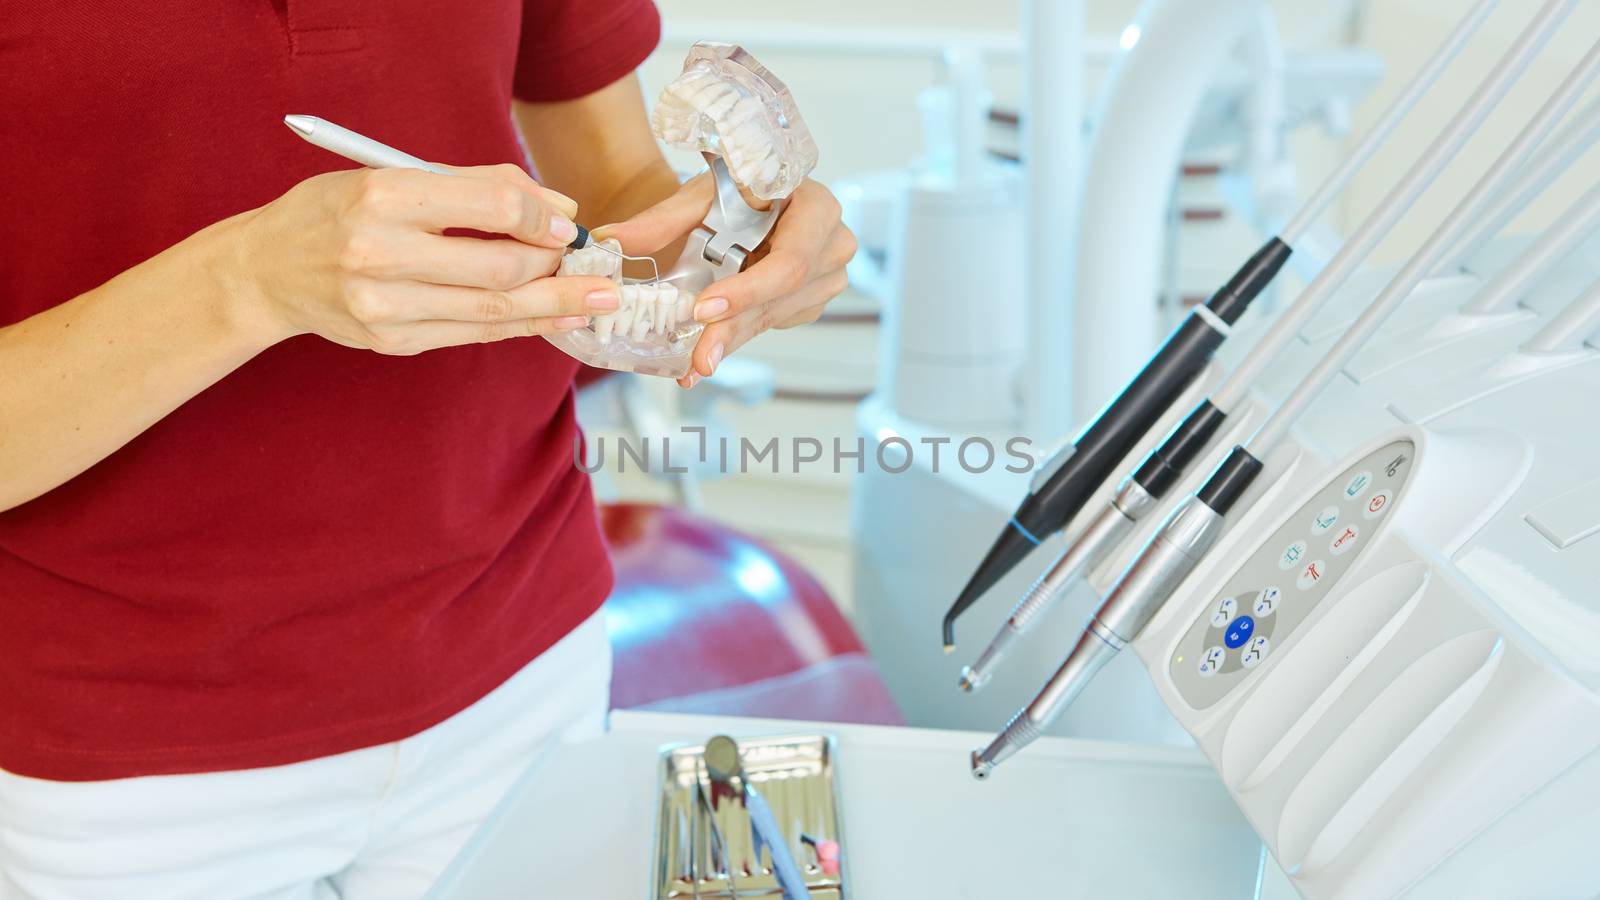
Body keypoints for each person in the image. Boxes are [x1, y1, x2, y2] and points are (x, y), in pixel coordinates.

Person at [0, 2, 854, 897]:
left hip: (526, 662)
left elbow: (613, 185)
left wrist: (733, 249)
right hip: (132, 768)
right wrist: (246, 281)